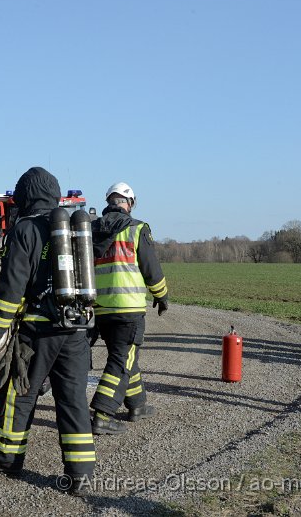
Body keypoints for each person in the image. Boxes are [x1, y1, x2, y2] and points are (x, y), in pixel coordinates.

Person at [0, 167, 95, 497]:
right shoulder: (71, 228)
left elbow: (12, 286)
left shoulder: (24, 229)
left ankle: (6, 457)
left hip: (39, 332)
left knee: (19, 393)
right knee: (72, 401)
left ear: (25, 197)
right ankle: (80, 475)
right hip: (76, 329)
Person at [89, 182, 168, 435]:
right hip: (129, 308)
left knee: (124, 356)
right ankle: (102, 414)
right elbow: (151, 268)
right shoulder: (137, 228)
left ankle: (137, 405)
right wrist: (161, 295)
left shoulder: (90, 230)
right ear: (129, 203)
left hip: (100, 309)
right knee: (121, 361)